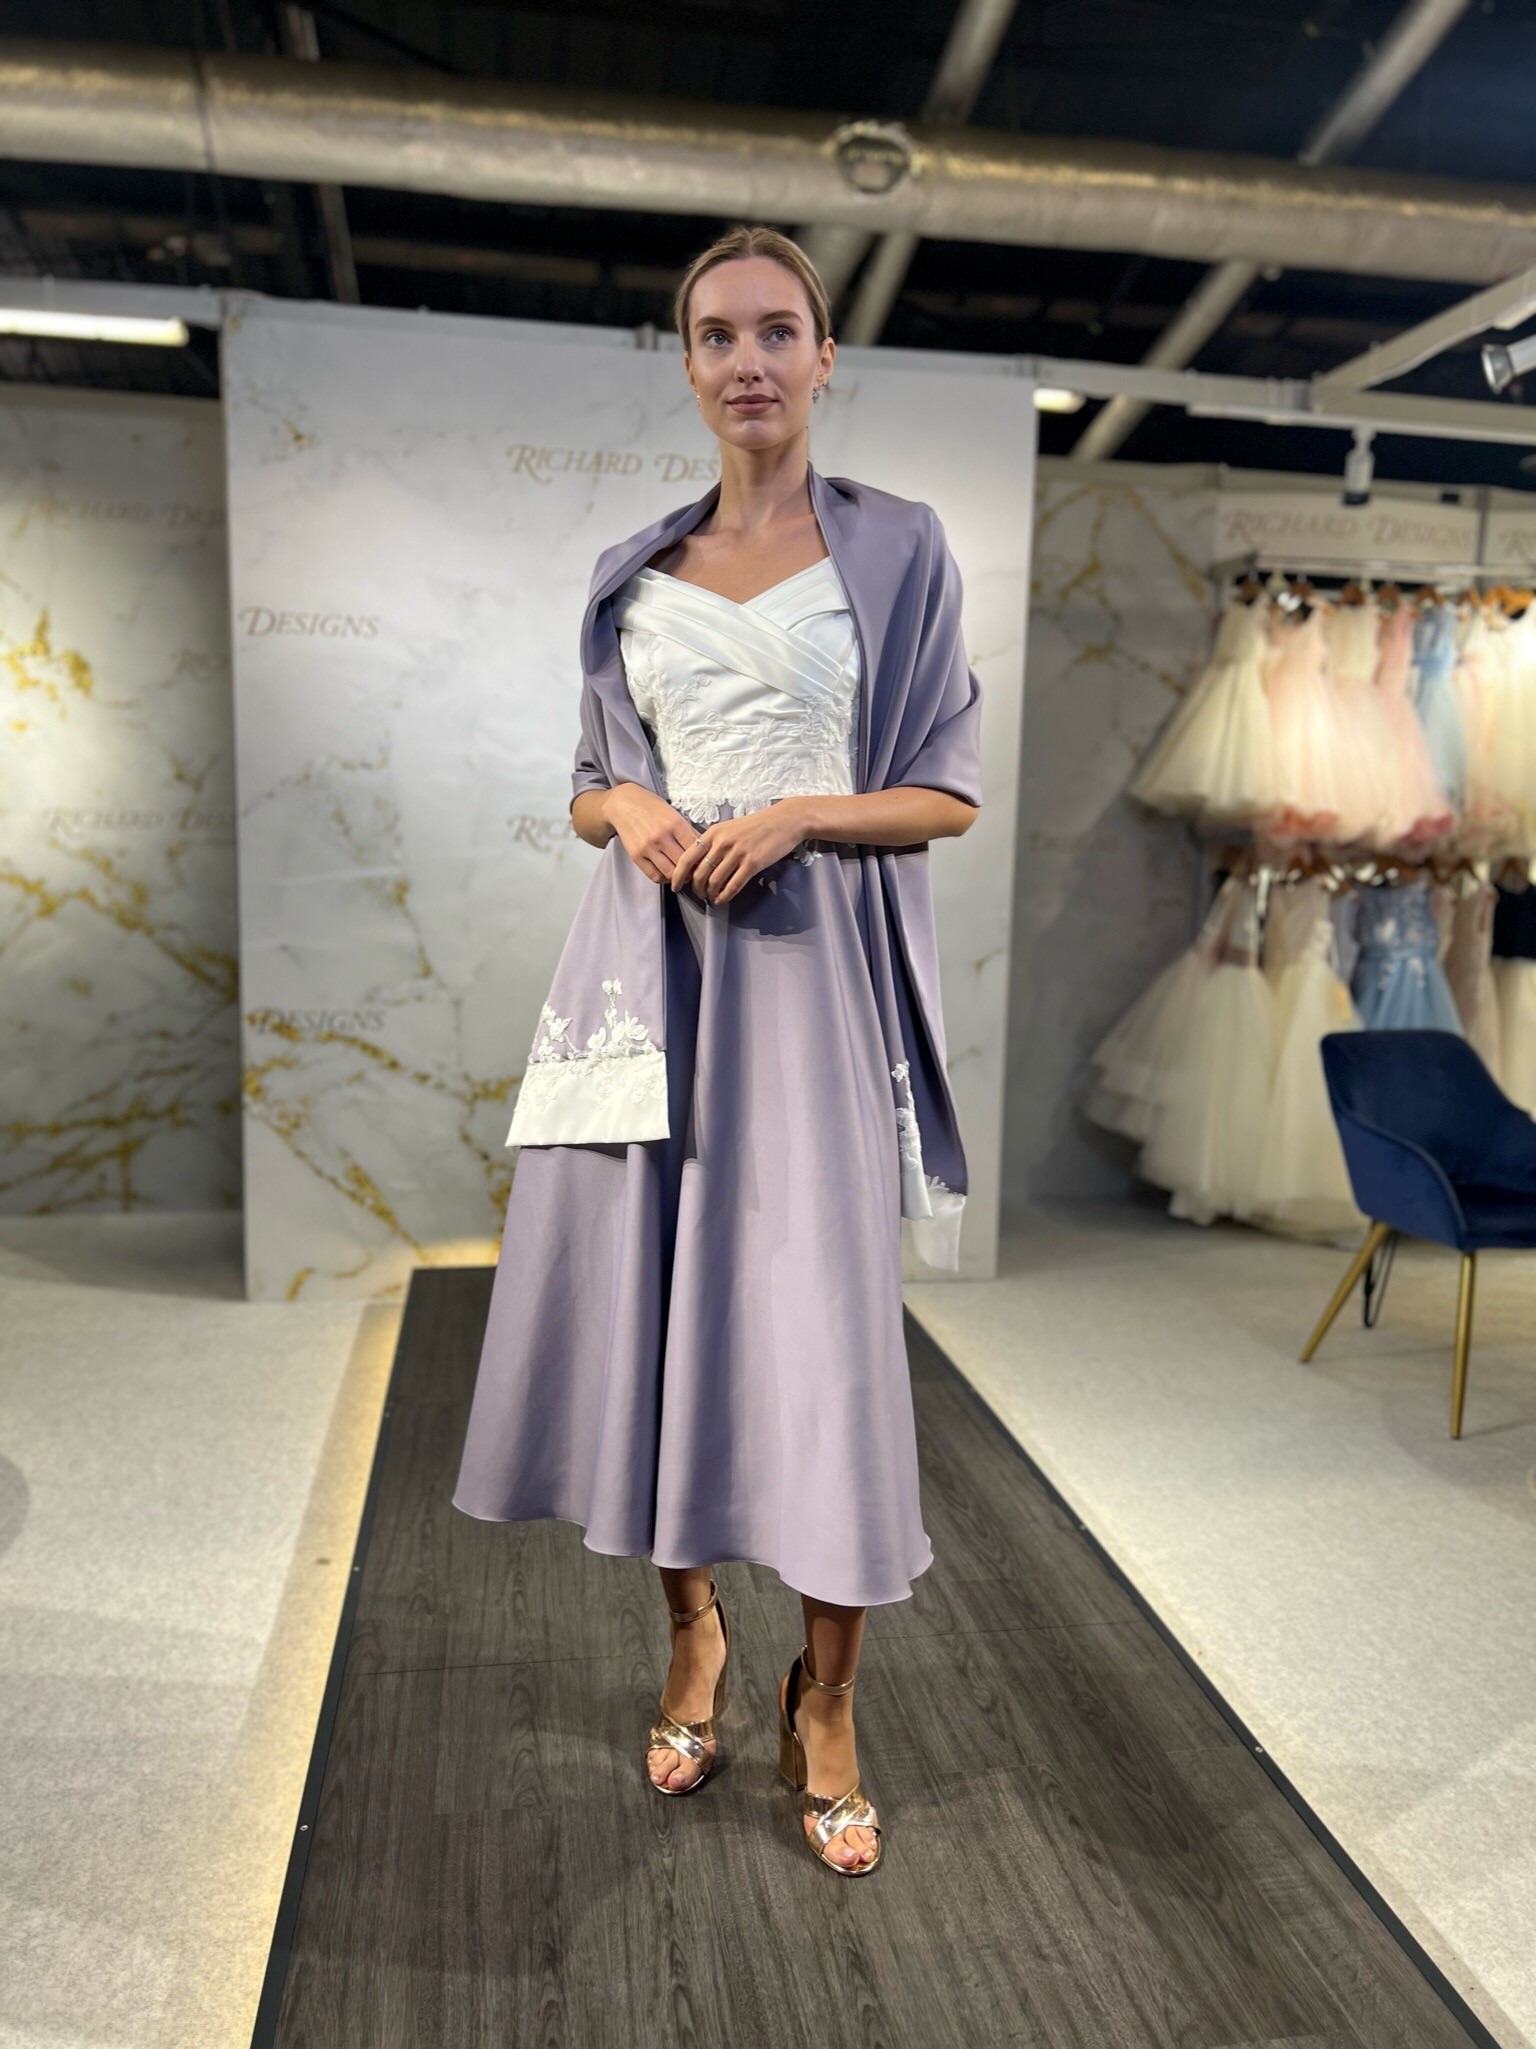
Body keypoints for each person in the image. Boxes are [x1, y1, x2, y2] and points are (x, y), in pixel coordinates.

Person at [452, 222, 984, 1876]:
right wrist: (631, 806)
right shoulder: (634, 568)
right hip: (650, 974)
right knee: (650, 1303)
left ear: (825, 358)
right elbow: (589, 783)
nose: (747, 360)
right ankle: (692, 1631)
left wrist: (806, 813)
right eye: (715, 334)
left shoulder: (898, 547)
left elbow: (947, 791)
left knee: (825, 1337)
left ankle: (829, 1698)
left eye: (775, 330)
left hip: (811, 979)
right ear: (686, 366)